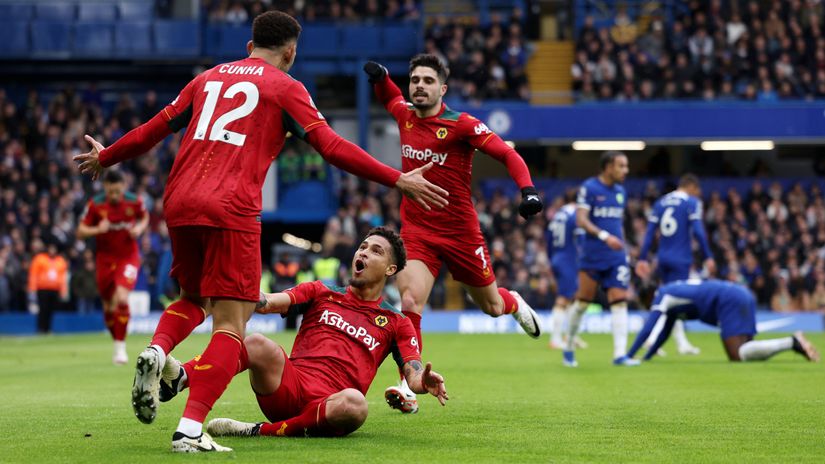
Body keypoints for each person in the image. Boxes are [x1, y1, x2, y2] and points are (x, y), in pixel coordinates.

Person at [73, 11, 448, 453]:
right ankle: (190, 429)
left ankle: (159, 352)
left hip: (179, 199)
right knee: (232, 325)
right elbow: (331, 146)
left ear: (250, 46)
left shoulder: (207, 78)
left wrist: (107, 157)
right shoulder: (286, 87)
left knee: (194, 299)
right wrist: (397, 178)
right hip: (231, 207)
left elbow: (154, 128)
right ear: (290, 52)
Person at [362, 55, 543, 413]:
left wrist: (528, 190)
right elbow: (390, 97)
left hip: (461, 234)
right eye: (415, 79)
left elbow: (507, 154)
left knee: (492, 307)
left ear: (442, 89)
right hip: (418, 231)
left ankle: (513, 302)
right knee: (410, 301)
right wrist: (381, 78)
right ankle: (409, 385)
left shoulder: (462, 125)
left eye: (428, 81)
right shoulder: (405, 115)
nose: (419, 86)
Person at [157, 227, 447, 447]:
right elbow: (267, 302)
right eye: (362, 247)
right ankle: (182, 377)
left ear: (390, 269)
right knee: (257, 343)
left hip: (331, 405)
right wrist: (229, 286)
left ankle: (256, 430)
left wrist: (422, 383)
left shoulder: (397, 322)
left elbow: (412, 372)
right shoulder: (322, 291)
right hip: (288, 388)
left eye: (375, 251)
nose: (363, 253)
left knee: (356, 404)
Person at [627, 279, 820, 363]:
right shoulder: (672, 297)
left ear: (647, 297)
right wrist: (647, 357)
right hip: (740, 294)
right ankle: (792, 343)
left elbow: (649, 328)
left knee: (737, 355)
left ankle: (792, 342)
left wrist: (629, 355)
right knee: (748, 351)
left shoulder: (663, 295)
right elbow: (664, 332)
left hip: (728, 300)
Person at [562, 151, 637, 367]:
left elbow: (618, 224)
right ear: (608, 167)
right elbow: (581, 219)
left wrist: (624, 248)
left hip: (616, 257)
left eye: (626, 166)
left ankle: (620, 355)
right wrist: (605, 237)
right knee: (582, 302)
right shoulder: (590, 187)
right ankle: (569, 347)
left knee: (619, 300)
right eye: (621, 166)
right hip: (593, 255)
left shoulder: (621, 192)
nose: (625, 170)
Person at [636, 174, 716, 356]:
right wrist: (708, 256)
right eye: (697, 190)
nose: (698, 194)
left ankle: (681, 343)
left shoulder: (660, 202)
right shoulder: (691, 202)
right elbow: (698, 231)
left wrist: (642, 258)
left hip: (662, 258)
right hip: (680, 259)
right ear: (691, 187)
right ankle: (652, 339)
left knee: (673, 300)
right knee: (673, 300)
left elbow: (649, 233)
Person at [77, 170, 149, 364]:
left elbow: (144, 217)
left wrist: (139, 228)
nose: (115, 195)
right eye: (111, 192)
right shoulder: (95, 204)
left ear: (123, 187)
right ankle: (116, 340)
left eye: (118, 191)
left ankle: (120, 347)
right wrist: (97, 229)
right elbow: (80, 231)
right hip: (105, 260)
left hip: (128, 257)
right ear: (105, 188)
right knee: (108, 306)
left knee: (122, 298)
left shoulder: (135, 202)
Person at [547, 189, 585, 350]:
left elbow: (548, 239)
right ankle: (555, 339)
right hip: (569, 259)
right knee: (563, 299)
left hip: (557, 257)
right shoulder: (576, 215)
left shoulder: (558, 214)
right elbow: (581, 240)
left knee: (572, 297)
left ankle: (571, 336)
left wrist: (551, 260)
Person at [28, 240, 68, 334]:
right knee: (43, 309)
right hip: (42, 289)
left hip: (54, 289)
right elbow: (33, 274)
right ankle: (41, 328)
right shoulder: (40, 259)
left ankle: (48, 328)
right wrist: (32, 289)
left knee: (51, 310)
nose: (52, 251)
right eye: (50, 249)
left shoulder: (60, 261)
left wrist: (63, 290)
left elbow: (63, 278)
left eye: (54, 249)